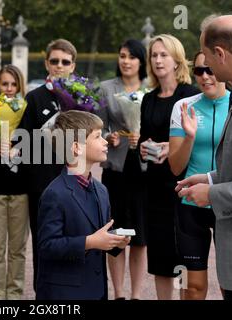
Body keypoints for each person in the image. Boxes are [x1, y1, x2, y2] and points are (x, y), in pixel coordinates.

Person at [176, 14, 232, 300]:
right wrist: (210, 177)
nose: (205, 68)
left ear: (220, 54)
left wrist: (212, 193)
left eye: (207, 57)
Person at [36, 110, 130, 300]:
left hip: (96, 290)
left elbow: (99, 235)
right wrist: (91, 242)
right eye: (97, 137)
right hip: (63, 295)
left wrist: (115, 242)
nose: (105, 142)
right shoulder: (55, 193)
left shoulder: (101, 190)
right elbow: (47, 246)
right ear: (77, 147)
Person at [139, 34, 200, 300]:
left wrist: (169, 147)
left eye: (164, 54)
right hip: (154, 187)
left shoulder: (190, 95)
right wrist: (143, 148)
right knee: (161, 258)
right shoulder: (149, 99)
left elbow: (197, 138)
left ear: (176, 60)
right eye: (154, 55)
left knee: (186, 259)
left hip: (182, 185)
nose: (158, 60)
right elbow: (144, 135)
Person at [169, 51, 229, 300]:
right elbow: (174, 166)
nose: (205, 77)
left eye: (210, 70)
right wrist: (190, 137)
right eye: (199, 71)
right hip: (191, 203)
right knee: (192, 287)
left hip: (228, 201)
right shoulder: (183, 106)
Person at [18, 38, 77, 290]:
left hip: (74, 180)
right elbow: (22, 140)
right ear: (46, 64)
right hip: (41, 184)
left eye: (65, 62)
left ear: (72, 66)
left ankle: (70, 289)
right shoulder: (34, 98)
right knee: (44, 240)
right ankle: (42, 291)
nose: (59, 66)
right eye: (54, 61)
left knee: (72, 237)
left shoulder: (80, 98)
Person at [97, 39, 148, 300]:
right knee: (117, 233)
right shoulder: (106, 89)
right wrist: (109, 137)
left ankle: (137, 295)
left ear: (141, 61)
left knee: (139, 238)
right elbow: (99, 126)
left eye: (131, 57)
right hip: (115, 171)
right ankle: (118, 294)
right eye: (122, 56)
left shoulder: (152, 89)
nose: (125, 61)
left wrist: (144, 136)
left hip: (143, 171)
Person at [0, 65, 29, 299]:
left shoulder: (27, 112)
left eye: (13, 84)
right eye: (4, 84)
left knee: (18, 249)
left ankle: (15, 295)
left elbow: (37, 145)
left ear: (20, 86)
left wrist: (19, 145)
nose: (9, 89)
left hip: (22, 188)